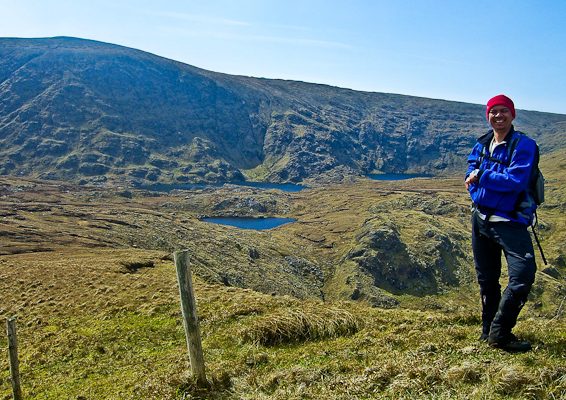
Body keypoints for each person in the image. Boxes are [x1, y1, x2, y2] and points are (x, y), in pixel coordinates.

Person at [465, 94, 538, 352]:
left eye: (503, 111)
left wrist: (482, 176)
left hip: (510, 221)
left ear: (513, 114)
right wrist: (480, 190)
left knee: (523, 275)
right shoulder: (482, 144)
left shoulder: (524, 145)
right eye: (493, 111)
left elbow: (516, 181)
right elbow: (469, 176)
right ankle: (488, 332)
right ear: (488, 115)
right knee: (487, 279)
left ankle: (500, 332)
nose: (498, 115)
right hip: (481, 220)